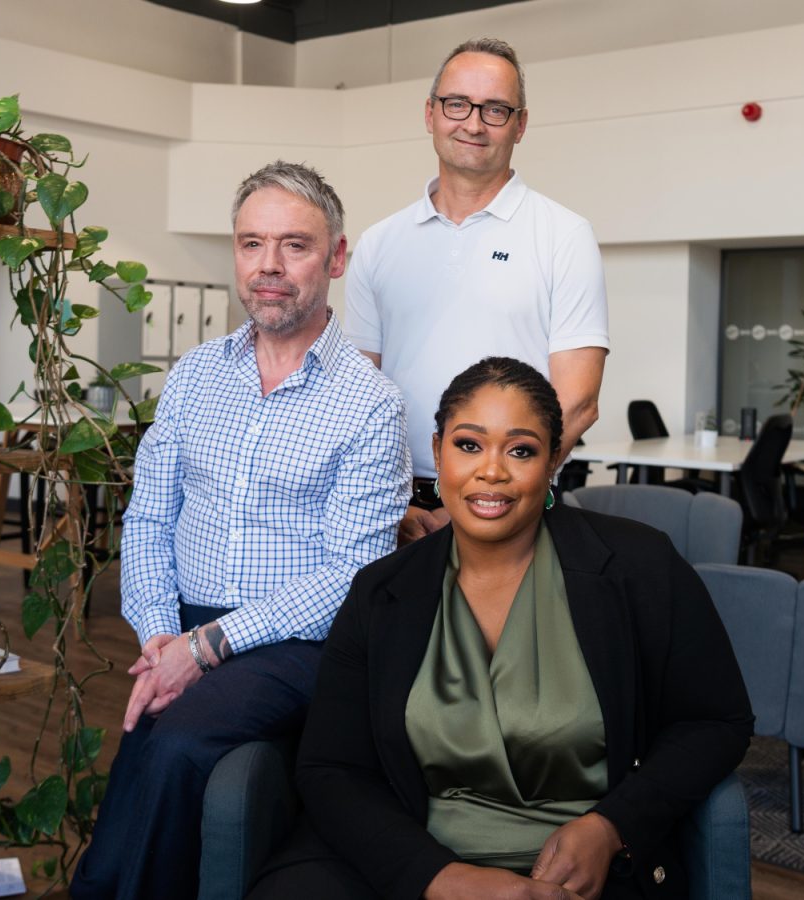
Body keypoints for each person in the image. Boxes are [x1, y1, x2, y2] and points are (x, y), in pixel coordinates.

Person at [250, 358, 753, 900]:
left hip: (581, 876)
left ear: (553, 460)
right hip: (416, 863)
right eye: (469, 445)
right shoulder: (380, 590)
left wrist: (611, 828)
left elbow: (715, 720)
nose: (491, 471)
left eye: (521, 450)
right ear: (438, 448)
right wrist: (442, 878)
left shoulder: (638, 565)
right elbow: (332, 767)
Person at [71, 161, 412, 900]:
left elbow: (350, 577)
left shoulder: (370, 404)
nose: (269, 267)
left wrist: (206, 647)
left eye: (294, 245)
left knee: (182, 740)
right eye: (251, 244)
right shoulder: (194, 376)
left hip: (300, 642)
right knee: (147, 734)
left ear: (337, 258)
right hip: (187, 622)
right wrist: (162, 634)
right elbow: (152, 514)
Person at [344, 37, 610, 544]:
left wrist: (483, 496)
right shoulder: (379, 243)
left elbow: (578, 401)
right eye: (457, 104)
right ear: (430, 113)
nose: (472, 123)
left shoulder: (563, 235)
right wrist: (388, 500)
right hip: (395, 511)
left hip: (509, 506)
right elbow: (358, 393)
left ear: (520, 125)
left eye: (495, 109)